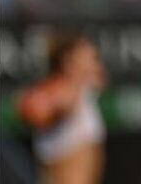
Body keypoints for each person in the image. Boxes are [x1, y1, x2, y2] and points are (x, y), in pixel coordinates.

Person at [17, 33, 106, 184]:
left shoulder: (85, 90)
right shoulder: (58, 90)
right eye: (89, 57)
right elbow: (33, 111)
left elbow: (100, 80)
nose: (95, 63)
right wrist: (58, 108)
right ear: (69, 61)